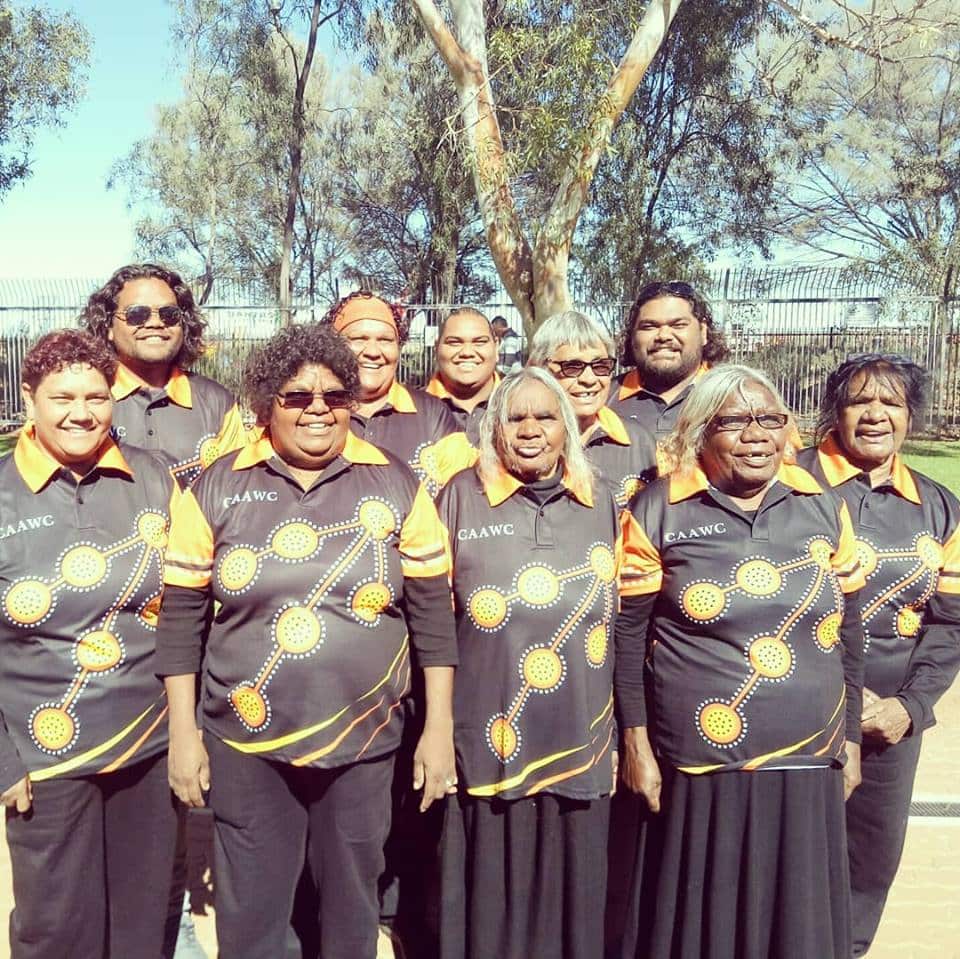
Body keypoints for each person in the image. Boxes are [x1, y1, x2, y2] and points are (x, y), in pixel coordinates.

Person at [155, 323, 458, 959]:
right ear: (269, 403)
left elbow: (433, 618)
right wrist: (183, 735)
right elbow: (181, 620)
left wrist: (437, 729)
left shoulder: (397, 483)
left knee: (351, 902)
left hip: (366, 739)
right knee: (255, 910)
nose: (317, 408)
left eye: (333, 395)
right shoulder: (218, 485)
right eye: (297, 396)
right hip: (246, 743)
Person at [616, 364, 865, 959]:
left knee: (795, 922)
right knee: (704, 923)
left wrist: (850, 737)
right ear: (701, 432)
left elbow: (849, 633)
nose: (756, 435)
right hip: (702, 765)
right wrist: (635, 742)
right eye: (734, 421)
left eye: (770, 420)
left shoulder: (823, 508)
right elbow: (626, 639)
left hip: (808, 758)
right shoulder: (660, 509)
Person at [0, 329, 179, 959]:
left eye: (97, 396)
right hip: (45, 758)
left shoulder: (155, 478)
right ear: (29, 398)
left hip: (151, 744)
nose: (82, 412)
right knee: (57, 929)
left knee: (145, 920)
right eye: (62, 396)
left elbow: (191, 609)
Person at [435, 367, 621, 959]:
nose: (531, 429)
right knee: (490, 893)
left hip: (580, 732)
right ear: (494, 429)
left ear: (567, 428)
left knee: (575, 893)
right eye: (516, 417)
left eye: (545, 416)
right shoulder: (459, 497)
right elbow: (433, 620)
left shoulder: (602, 502)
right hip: (489, 736)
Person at [796, 354, 960, 957]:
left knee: (871, 864)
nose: (875, 415)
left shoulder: (940, 507)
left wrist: (909, 707)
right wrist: (833, 697)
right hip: (799, 710)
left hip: (892, 720)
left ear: (910, 416)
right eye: (860, 401)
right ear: (834, 411)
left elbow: (951, 624)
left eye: (890, 403)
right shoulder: (790, 486)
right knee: (792, 862)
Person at [79, 262, 247, 488]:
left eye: (170, 314)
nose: (155, 323)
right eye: (137, 314)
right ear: (108, 326)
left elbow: (235, 492)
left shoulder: (217, 402)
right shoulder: (82, 399)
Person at [322, 291, 459, 493]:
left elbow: (463, 494)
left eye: (385, 340)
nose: (373, 351)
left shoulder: (431, 413)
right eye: (359, 338)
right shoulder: (313, 412)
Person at [528, 310, 656, 508]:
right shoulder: (523, 441)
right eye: (572, 366)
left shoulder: (639, 442)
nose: (589, 379)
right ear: (540, 369)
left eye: (600, 365)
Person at [609, 280, 729, 440]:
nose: (664, 336)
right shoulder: (600, 401)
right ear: (632, 336)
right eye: (649, 327)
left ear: (703, 332)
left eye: (678, 325)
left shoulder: (732, 396)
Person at [423, 307, 500, 443]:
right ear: (436, 348)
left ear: (496, 348)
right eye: (454, 342)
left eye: (480, 342)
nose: (467, 352)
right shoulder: (411, 410)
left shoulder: (520, 404)